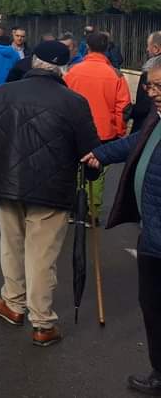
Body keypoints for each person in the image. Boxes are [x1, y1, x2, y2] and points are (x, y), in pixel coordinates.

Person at [0, 40, 100, 348]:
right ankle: (42, 322)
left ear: (34, 61)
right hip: (54, 188)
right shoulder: (74, 102)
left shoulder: (1, 94)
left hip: (6, 182)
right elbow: (90, 151)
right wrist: (92, 172)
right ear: (63, 67)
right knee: (42, 255)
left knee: (11, 245)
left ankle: (13, 304)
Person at [83, 56, 161, 395]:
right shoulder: (157, 119)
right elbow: (136, 143)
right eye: (149, 85)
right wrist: (102, 153)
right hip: (153, 234)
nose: (151, 92)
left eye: (157, 86)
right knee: (152, 306)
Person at [66, 30, 132, 222]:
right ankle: (92, 212)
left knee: (75, 169)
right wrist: (119, 132)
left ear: (87, 47)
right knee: (97, 174)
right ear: (107, 48)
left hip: (75, 130)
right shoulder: (115, 74)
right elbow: (124, 107)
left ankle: (73, 207)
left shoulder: (73, 72)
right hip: (104, 132)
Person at [132, 32, 161, 133]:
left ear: (156, 49)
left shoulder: (151, 73)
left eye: (148, 46)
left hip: (146, 126)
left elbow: (143, 106)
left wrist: (130, 112)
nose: (147, 49)